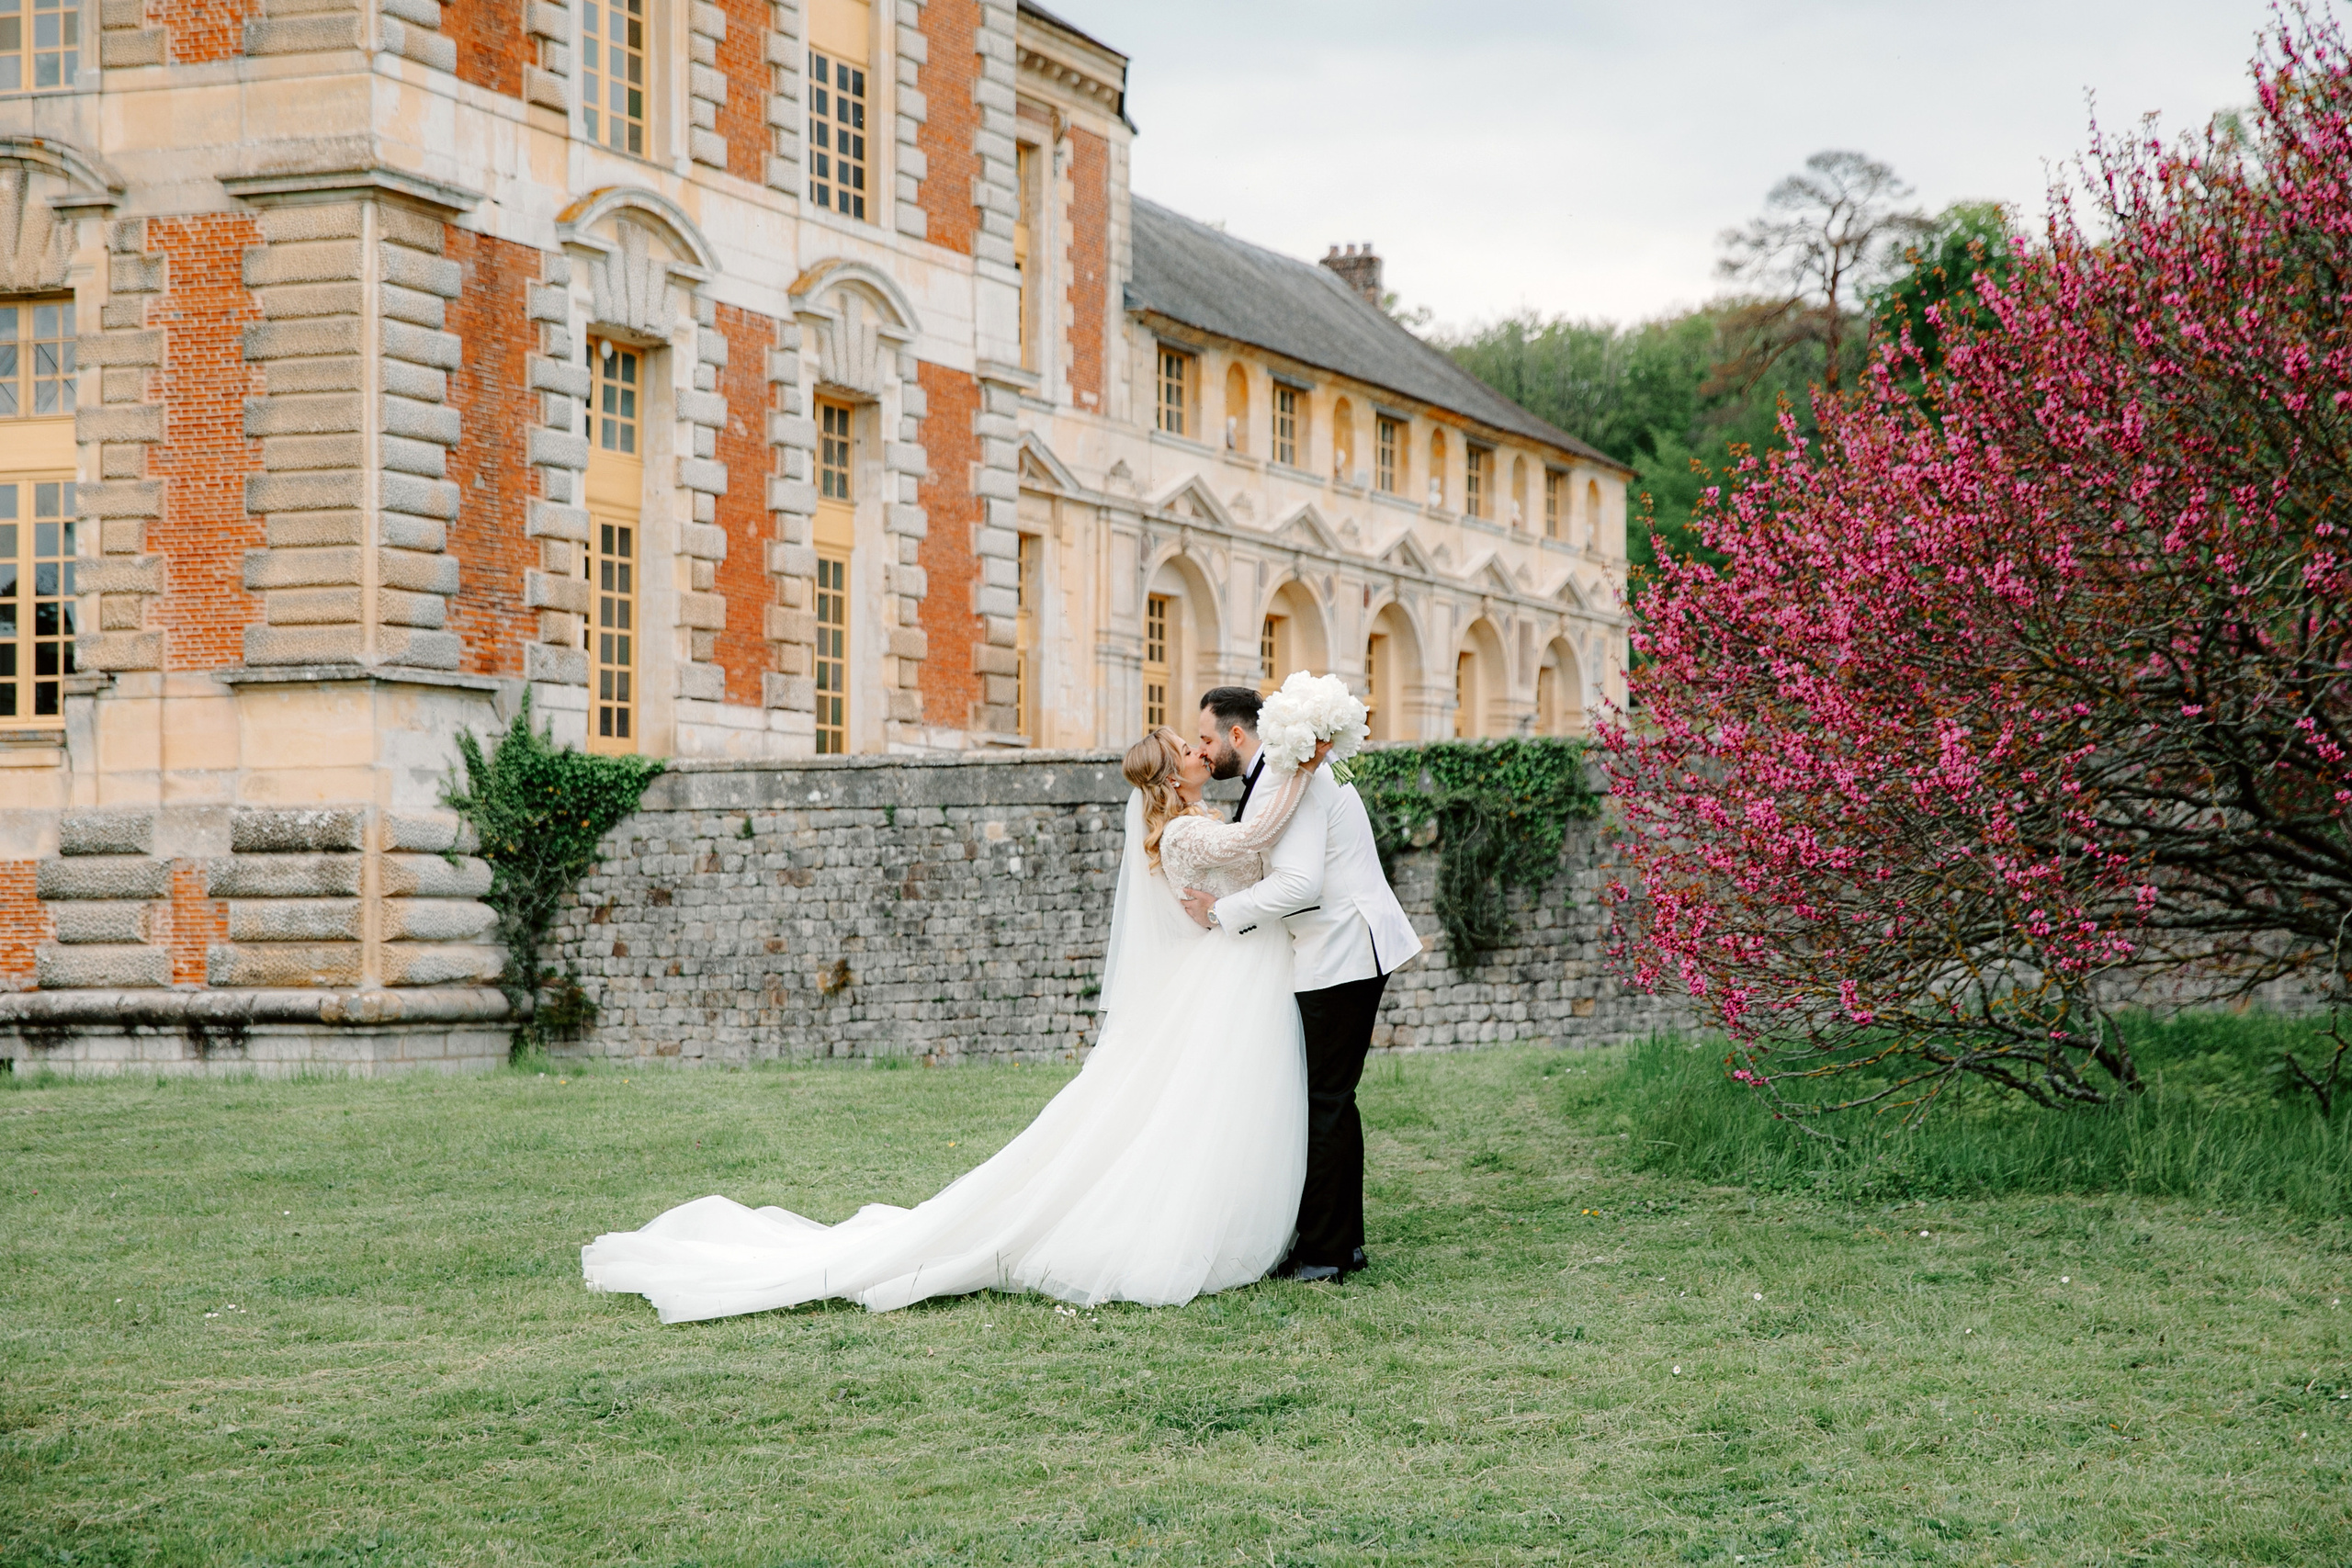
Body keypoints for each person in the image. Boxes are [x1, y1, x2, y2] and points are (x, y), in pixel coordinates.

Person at [580, 727, 1331, 1319]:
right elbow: (1254, 842)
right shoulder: (1191, 833)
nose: (1204, 752)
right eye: (1188, 751)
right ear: (1171, 776)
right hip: (1225, 973)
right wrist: (1302, 757)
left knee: (1203, 1109)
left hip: (1228, 968)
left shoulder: (1190, 820)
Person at [1185, 686, 1422, 1283]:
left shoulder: (1283, 775)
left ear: (1239, 735)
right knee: (1335, 1101)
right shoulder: (1294, 769)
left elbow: (1300, 885)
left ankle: (1323, 1253)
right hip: (1350, 945)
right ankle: (1345, 1242)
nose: (1205, 750)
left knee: (1324, 1101)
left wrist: (1221, 910)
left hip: (1339, 950)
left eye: (1209, 738)